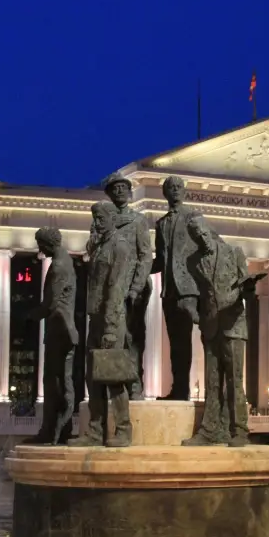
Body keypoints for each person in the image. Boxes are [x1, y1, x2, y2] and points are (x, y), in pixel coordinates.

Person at [181, 217, 264, 447]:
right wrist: (196, 315)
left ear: (210, 231)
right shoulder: (193, 262)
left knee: (235, 380)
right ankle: (209, 431)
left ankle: (238, 431)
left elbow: (244, 286)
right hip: (210, 325)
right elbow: (198, 294)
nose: (202, 239)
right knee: (212, 380)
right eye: (197, 237)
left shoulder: (233, 252)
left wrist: (247, 288)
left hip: (233, 325)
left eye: (204, 234)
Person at [72, 202, 135, 447]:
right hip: (96, 318)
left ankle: (123, 430)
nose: (96, 222)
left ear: (112, 218)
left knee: (114, 376)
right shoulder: (100, 247)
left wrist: (110, 326)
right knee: (93, 377)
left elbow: (116, 287)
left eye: (100, 218)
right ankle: (96, 432)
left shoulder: (119, 246)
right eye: (94, 218)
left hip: (111, 320)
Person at [95, 171, 152, 401]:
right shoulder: (101, 221)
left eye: (123, 187)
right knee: (110, 337)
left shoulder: (138, 221)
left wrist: (135, 288)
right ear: (109, 193)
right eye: (114, 188)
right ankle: (114, 385)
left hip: (132, 288)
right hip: (108, 288)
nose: (119, 191)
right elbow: (94, 252)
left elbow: (145, 256)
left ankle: (135, 383)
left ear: (130, 192)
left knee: (133, 337)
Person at [24, 227, 78, 445]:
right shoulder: (65, 261)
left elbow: (51, 304)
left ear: (47, 243)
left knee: (56, 383)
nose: (39, 249)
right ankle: (59, 430)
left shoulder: (58, 266)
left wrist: (29, 317)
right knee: (59, 382)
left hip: (60, 331)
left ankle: (53, 432)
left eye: (40, 244)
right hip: (63, 330)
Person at [152, 175, 202, 400]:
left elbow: (207, 247)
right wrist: (135, 268)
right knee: (176, 343)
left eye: (178, 187)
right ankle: (178, 388)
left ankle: (186, 389)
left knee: (187, 340)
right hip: (168, 290)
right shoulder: (161, 224)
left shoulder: (193, 217)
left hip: (188, 289)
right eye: (170, 188)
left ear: (184, 192)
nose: (175, 191)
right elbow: (160, 259)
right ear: (165, 193)